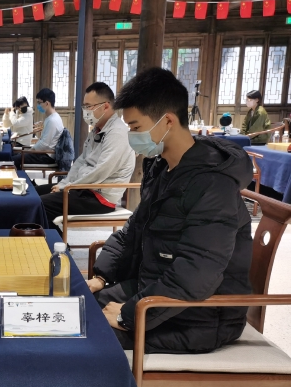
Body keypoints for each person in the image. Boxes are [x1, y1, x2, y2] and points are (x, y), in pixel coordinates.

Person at [89, 68, 253, 354]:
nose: (131, 136)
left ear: (167, 121)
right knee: (76, 308)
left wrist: (129, 315)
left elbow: (197, 272)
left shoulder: (213, 184)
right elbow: (132, 231)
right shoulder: (163, 168)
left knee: (88, 338)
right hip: (157, 291)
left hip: (198, 315)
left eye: (136, 127)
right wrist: (100, 277)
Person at [35, 82, 135, 227]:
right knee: (34, 193)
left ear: (105, 106)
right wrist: (64, 183)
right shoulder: (97, 130)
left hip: (99, 197)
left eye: (88, 106)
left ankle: (52, 240)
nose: (85, 111)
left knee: (39, 204)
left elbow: (100, 171)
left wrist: (67, 187)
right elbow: (81, 161)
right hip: (83, 188)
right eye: (85, 106)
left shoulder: (117, 132)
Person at [11, 88, 63, 169]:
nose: (38, 105)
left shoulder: (52, 120)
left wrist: (31, 150)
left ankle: (19, 176)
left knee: (13, 160)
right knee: (14, 155)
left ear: (47, 103)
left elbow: (44, 145)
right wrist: (31, 150)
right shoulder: (51, 117)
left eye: (39, 103)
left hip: (47, 156)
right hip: (43, 152)